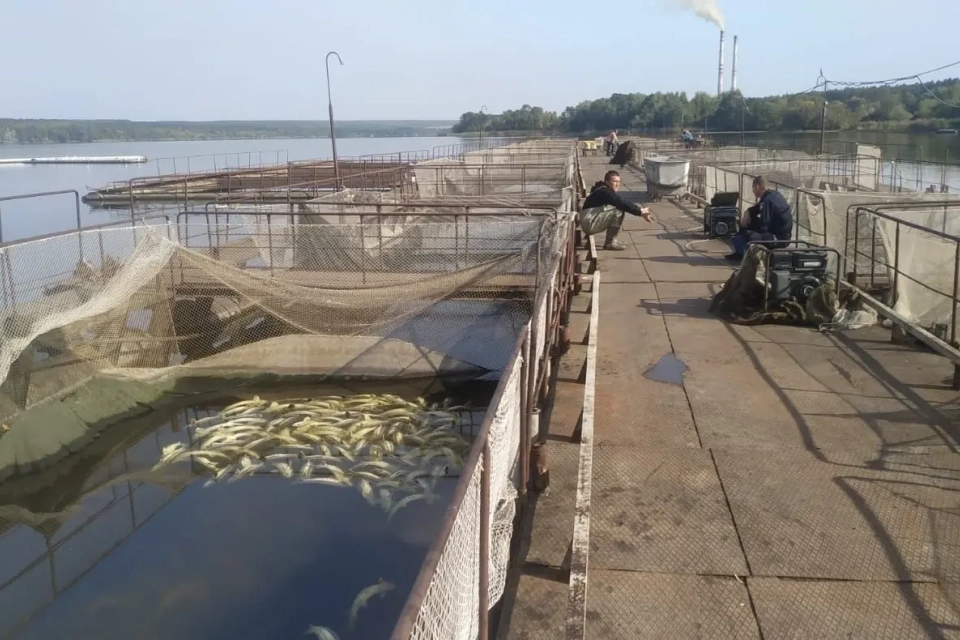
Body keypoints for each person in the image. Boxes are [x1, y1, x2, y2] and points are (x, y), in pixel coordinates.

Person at [580, 170, 655, 251]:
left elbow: (620, 201)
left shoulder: (602, 189)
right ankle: (610, 243)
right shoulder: (605, 192)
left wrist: (640, 211)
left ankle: (609, 242)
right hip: (589, 224)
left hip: (588, 220)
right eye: (614, 181)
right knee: (618, 211)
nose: (617, 184)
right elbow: (620, 202)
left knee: (616, 207)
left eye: (619, 182)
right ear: (607, 182)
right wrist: (640, 211)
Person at [725, 175, 793, 262]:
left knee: (750, 235)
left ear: (757, 187)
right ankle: (740, 253)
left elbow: (763, 226)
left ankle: (747, 255)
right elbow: (756, 209)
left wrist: (750, 231)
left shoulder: (768, 201)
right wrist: (747, 213)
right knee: (748, 223)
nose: (753, 191)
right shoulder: (772, 195)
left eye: (753, 189)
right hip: (777, 233)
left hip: (779, 238)